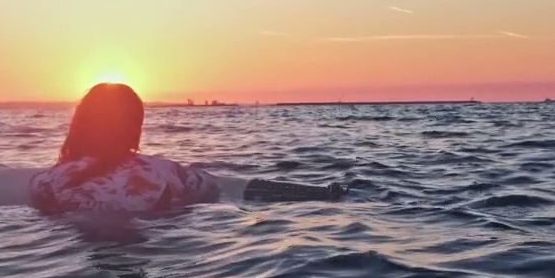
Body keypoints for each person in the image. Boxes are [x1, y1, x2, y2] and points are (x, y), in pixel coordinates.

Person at [28, 83, 346, 213]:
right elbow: (212, 188)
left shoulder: (50, 181)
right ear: (134, 129)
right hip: (156, 242)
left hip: (70, 252)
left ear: (81, 124)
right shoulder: (167, 173)